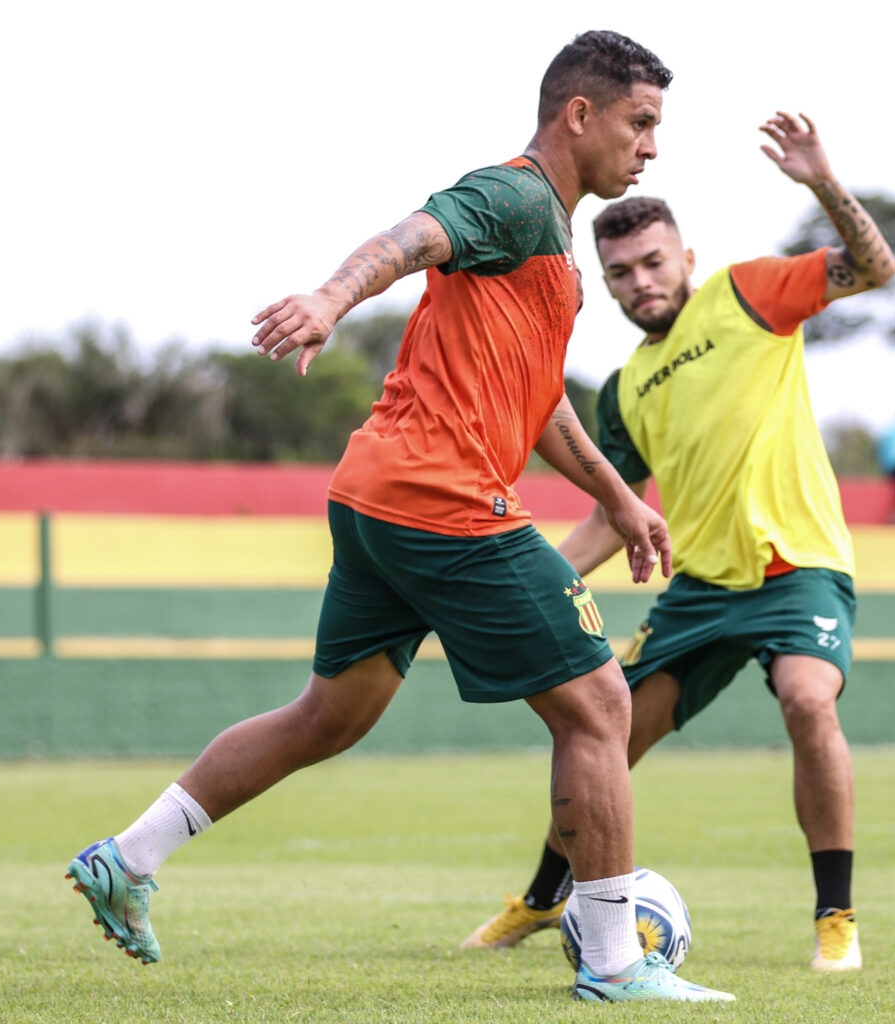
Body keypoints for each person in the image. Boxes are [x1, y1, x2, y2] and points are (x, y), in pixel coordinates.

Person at [64, 31, 736, 1004]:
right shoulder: (511, 196)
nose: (652, 147)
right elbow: (411, 236)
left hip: (375, 494)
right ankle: (615, 962)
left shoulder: (553, 252)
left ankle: (128, 858)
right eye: (641, 123)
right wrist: (332, 298)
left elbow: (539, 403)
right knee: (600, 704)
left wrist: (621, 499)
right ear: (578, 115)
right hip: (442, 498)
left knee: (330, 714)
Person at [459, 112, 895, 972]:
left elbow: (875, 268)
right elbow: (607, 516)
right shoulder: (624, 390)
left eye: (654, 262)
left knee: (810, 701)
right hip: (698, 590)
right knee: (604, 733)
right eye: (619, 272)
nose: (639, 281)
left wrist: (820, 182)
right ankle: (545, 898)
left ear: (686, 260)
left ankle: (835, 919)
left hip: (796, 568)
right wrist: (507, 581)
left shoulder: (748, 295)